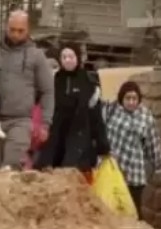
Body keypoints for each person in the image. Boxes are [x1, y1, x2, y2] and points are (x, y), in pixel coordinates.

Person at [0, 10, 54, 170]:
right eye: (12, 30)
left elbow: (47, 91)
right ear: (6, 27)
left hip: (21, 121)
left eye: (20, 30)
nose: (15, 34)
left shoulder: (37, 56)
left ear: (28, 30)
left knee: (11, 168)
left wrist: (45, 124)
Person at [32, 44, 109, 180]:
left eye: (71, 56)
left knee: (72, 178)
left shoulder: (88, 83)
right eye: (64, 57)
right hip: (55, 139)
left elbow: (96, 117)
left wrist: (103, 146)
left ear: (78, 58)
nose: (68, 60)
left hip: (78, 138)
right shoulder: (52, 81)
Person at [102, 81, 161, 218]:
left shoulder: (145, 117)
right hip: (114, 170)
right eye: (128, 98)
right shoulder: (111, 111)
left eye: (134, 98)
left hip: (134, 173)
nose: (131, 102)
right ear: (121, 98)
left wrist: (159, 166)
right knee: (112, 208)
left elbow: (153, 143)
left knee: (134, 210)